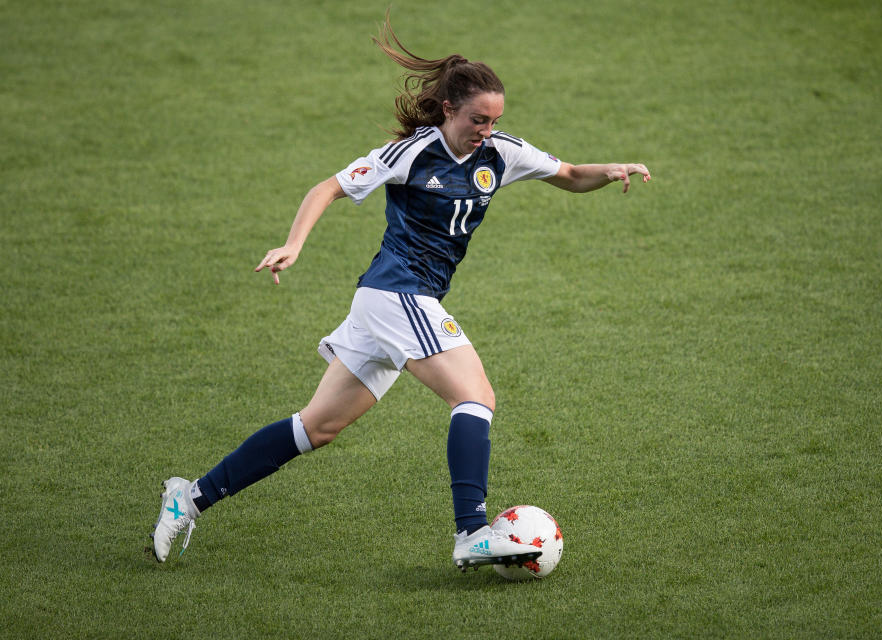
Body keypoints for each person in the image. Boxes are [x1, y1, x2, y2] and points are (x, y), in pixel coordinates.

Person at [150, 15, 651, 572]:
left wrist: (611, 171)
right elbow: (328, 188)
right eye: (477, 119)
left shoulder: (500, 153)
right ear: (447, 111)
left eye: (495, 120)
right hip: (398, 295)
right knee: (476, 398)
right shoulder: (410, 154)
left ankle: (188, 496)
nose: (486, 129)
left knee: (317, 427)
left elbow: (570, 173)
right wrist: (294, 244)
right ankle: (469, 532)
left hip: (394, 303)